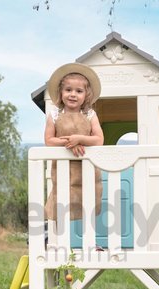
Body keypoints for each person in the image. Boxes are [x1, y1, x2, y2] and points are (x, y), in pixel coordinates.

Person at [44, 63, 104, 221]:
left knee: (87, 198)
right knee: (62, 198)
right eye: (68, 90)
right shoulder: (55, 114)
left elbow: (99, 140)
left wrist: (80, 139)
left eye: (79, 91)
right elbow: (49, 140)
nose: (73, 94)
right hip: (63, 166)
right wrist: (69, 143)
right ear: (61, 92)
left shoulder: (90, 114)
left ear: (86, 95)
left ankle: (89, 240)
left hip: (85, 165)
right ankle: (61, 241)